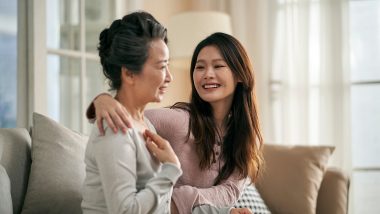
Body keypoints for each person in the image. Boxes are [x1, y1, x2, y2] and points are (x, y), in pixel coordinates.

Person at [87, 32, 263, 214]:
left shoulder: (245, 137)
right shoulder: (180, 121)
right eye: (200, 67)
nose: (207, 74)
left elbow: (228, 192)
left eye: (218, 66)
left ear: (240, 75)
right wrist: (103, 100)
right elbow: (124, 118)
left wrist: (180, 202)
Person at [81, 11, 182, 214]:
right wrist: (171, 168)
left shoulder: (144, 123)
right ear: (128, 73)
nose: (169, 77)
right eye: (162, 67)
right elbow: (126, 211)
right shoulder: (115, 128)